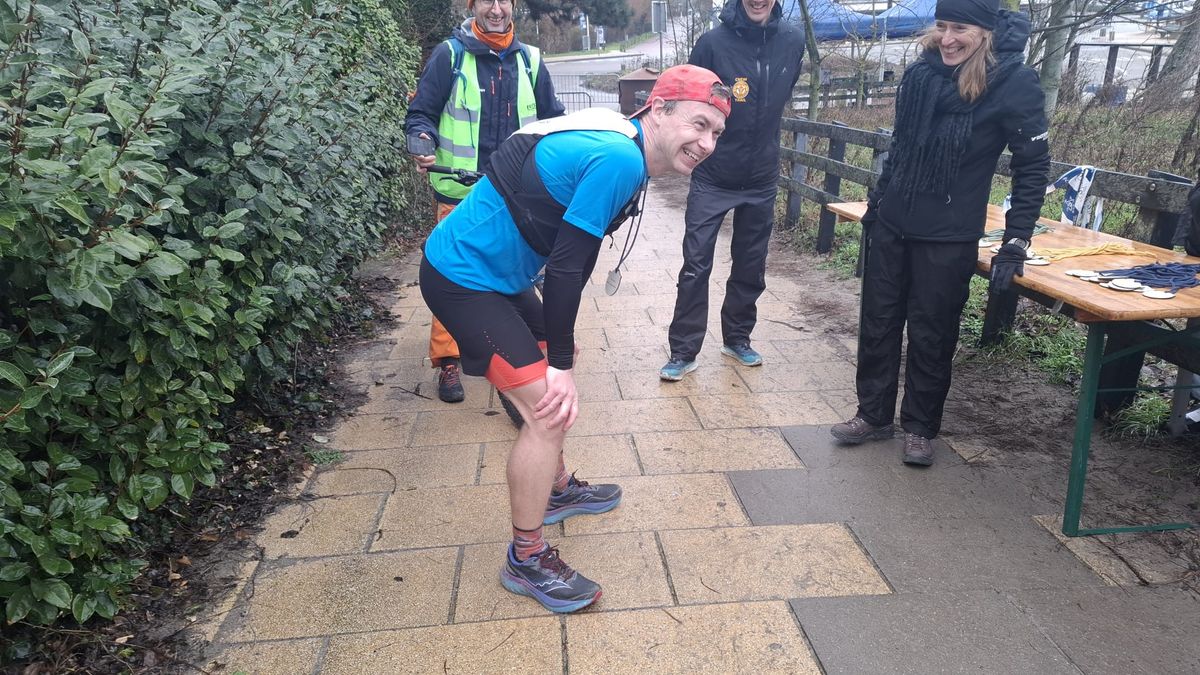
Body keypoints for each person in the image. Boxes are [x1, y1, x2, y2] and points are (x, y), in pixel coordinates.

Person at [419, 66, 731, 613]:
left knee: (552, 367)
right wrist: (557, 362)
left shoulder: (621, 140)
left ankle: (557, 487)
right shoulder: (619, 159)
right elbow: (567, 271)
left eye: (716, 134)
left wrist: (556, 350)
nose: (705, 143)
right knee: (549, 409)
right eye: (699, 124)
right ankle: (527, 558)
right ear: (658, 110)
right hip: (461, 277)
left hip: (497, 276)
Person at [829, 0, 1051, 466]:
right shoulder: (920, 74)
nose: (948, 39)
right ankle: (872, 415)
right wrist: (878, 202)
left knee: (932, 333)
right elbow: (903, 146)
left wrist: (1017, 239)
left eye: (961, 29)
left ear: (986, 33)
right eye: (942, 26)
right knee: (878, 323)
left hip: (948, 234)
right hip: (893, 223)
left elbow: (1032, 168)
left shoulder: (1013, 82)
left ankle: (919, 427)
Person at [405, 0, 564, 403]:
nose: (496, 9)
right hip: (460, 194)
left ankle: (519, 349)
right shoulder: (450, 55)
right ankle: (448, 362)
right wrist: (421, 140)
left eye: (504, 1)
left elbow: (555, 121)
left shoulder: (530, 61)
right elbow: (421, 112)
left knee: (517, 277)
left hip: (515, 197)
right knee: (454, 275)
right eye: (486, 1)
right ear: (471, 6)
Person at [658, 0, 805, 381]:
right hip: (714, 174)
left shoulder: (792, 40)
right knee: (696, 264)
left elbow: (782, 94)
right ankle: (683, 350)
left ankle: (737, 337)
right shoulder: (712, 43)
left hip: (761, 176)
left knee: (751, 265)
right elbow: (691, 102)